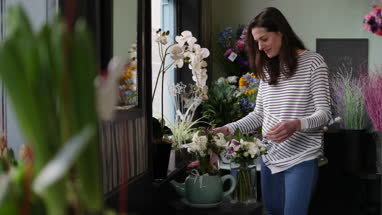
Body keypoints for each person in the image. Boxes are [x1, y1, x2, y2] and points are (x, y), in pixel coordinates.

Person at [213, 7, 331, 215]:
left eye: (264, 39)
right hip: (269, 158)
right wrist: (228, 129)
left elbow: (324, 114)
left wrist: (296, 124)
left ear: (281, 33)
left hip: (301, 158)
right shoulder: (268, 68)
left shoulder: (314, 62)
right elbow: (259, 115)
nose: (260, 47)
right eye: (257, 41)